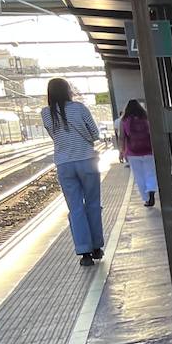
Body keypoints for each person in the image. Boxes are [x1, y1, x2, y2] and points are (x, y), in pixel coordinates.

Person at [42, 78, 105, 266]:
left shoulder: (46, 113)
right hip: (87, 161)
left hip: (64, 164)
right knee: (93, 204)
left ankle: (84, 252)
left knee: (75, 208)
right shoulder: (79, 108)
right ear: (68, 90)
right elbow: (95, 134)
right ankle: (96, 247)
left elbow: (55, 137)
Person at [119, 100, 157, 207]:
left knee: (139, 176)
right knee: (150, 173)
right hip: (148, 150)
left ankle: (146, 198)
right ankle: (151, 191)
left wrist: (121, 152)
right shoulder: (146, 118)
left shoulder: (124, 120)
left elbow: (122, 138)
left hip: (133, 153)